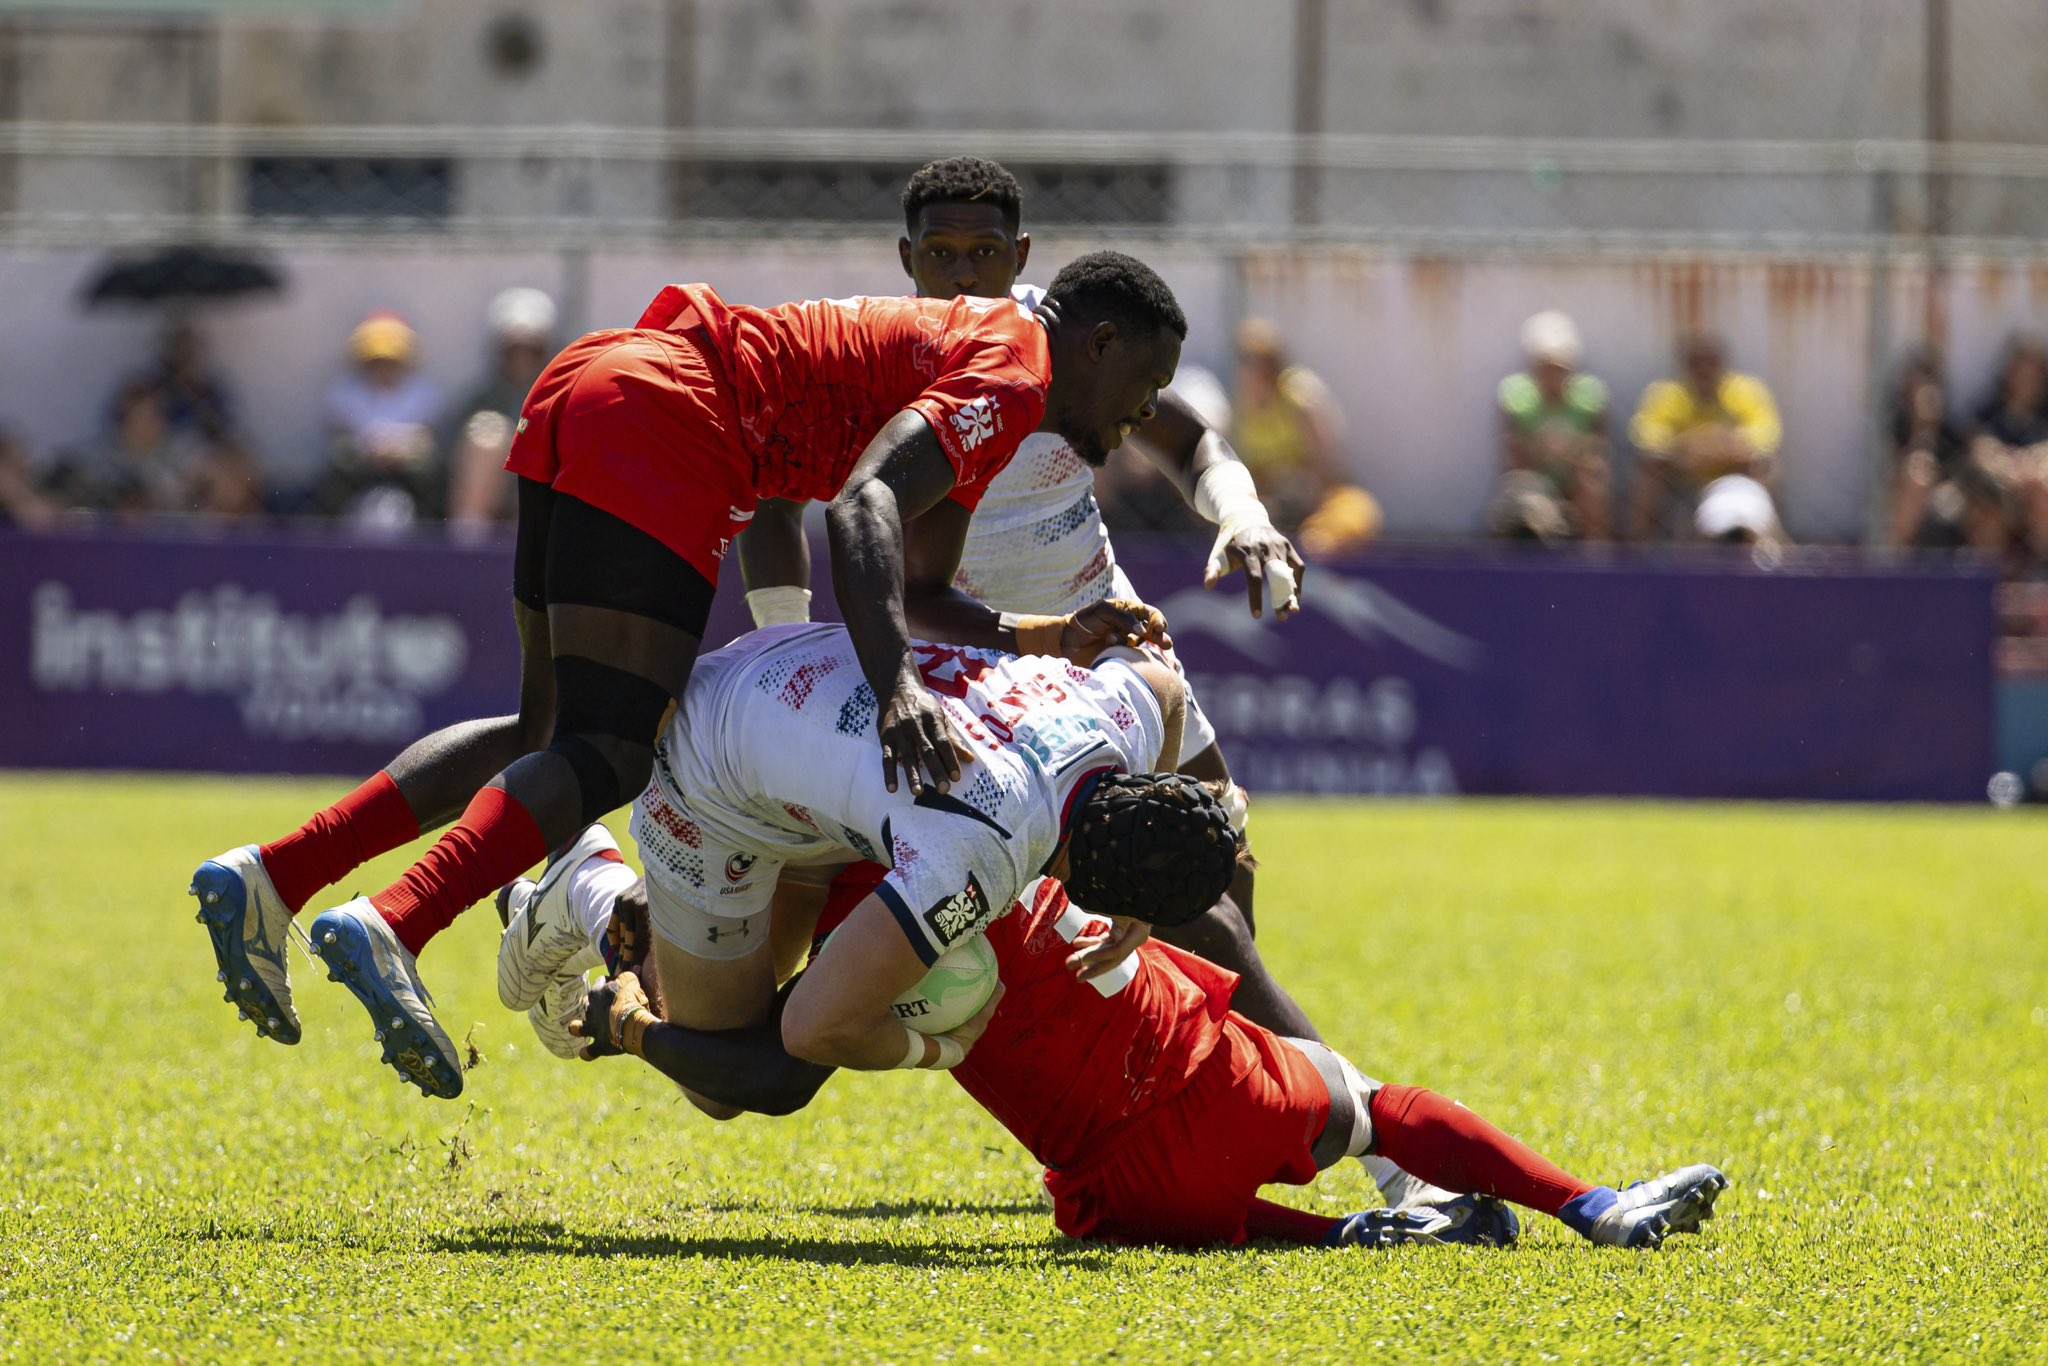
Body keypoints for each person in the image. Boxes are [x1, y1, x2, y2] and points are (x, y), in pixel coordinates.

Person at [188, 252, 1188, 1098]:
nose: (1123, 432)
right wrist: (895, 692)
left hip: (602, 378)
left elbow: (916, 585)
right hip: (674, 418)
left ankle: (274, 874)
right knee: (612, 750)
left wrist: (1044, 631)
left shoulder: (985, 359)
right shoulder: (1014, 374)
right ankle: (394, 919)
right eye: (1138, 396)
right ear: (1097, 343)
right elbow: (861, 511)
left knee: (546, 731)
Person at [735, 156, 1318, 1052]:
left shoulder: (1080, 341)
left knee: (1219, 864)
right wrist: (785, 648)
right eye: (940, 253)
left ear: (1023, 253)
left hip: (1112, 633)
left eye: (984, 251)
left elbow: (1188, 437)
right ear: (905, 258)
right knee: (834, 894)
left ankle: (1222, 1075)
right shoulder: (893, 358)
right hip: (981, 670)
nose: (963, 273)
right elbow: (775, 495)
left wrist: (1242, 515)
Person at [523, 857, 1728, 1252]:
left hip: (1134, 1185)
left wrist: (635, 1024)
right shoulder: (993, 821)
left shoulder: (845, 917)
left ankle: (1356, 1236)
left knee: (740, 1016)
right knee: (1372, 1104)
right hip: (1219, 1082)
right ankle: (1590, 1202)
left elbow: (787, 1043)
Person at [1627, 331, 1784, 542]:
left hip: (1733, 473)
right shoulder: (1667, 394)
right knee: (1649, 468)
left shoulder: (1745, 390)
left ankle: (1768, 540)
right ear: (1685, 365)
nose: (1703, 370)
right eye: (1696, 363)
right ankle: (1640, 546)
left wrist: (1713, 447)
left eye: (1710, 362)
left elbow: (1766, 435)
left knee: (1766, 465)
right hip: (1681, 476)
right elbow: (1646, 436)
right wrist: (1693, 445)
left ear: (1721, 363)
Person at [313, 310, 447, 527]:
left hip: (407, 462)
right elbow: (339, 432)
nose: (384, 367)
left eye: (391, 360)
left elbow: (427, 434)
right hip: (361, 461)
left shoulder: (422, 392)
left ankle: (429, 528)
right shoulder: (345, 391)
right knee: (338, 463)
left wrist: (398, 449)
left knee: (431, 468)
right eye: (377, 360)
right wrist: (370, 448)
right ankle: (329, 527)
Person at [1487, 310, 1611, 542]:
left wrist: (1568, 453)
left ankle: (1595, 557)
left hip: (1574, 478)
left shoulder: (1589, 395)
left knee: (1592, 483)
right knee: (1520, 496)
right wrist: (1541, 450)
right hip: (1533, 478)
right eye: (1544, 367)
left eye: (1558, 368)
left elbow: (1597, 450)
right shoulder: (1516, 395)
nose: (1551, 375)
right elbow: (1512, 456)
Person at [446, 287, 558, 535]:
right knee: (488, 435)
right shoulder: (481, 398)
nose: (521, 357)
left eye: (531, 348)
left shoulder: (560, 392)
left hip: (541, 488)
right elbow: (449, 451)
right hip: (499, 491)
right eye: (513, 348)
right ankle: (470, 540)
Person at [1962, 333, 2048, 571]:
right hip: (1998, 490)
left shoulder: (2044, 416)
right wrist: (2012, 469)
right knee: (1991, 507)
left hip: (2035, 491)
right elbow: (1980, 449)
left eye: (2034, 373)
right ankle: (1989, 578)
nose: (2026, 379)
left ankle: (2042, 570)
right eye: (2021, 371)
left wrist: (2034, 467)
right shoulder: (1989, 411)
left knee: (2040, 490)